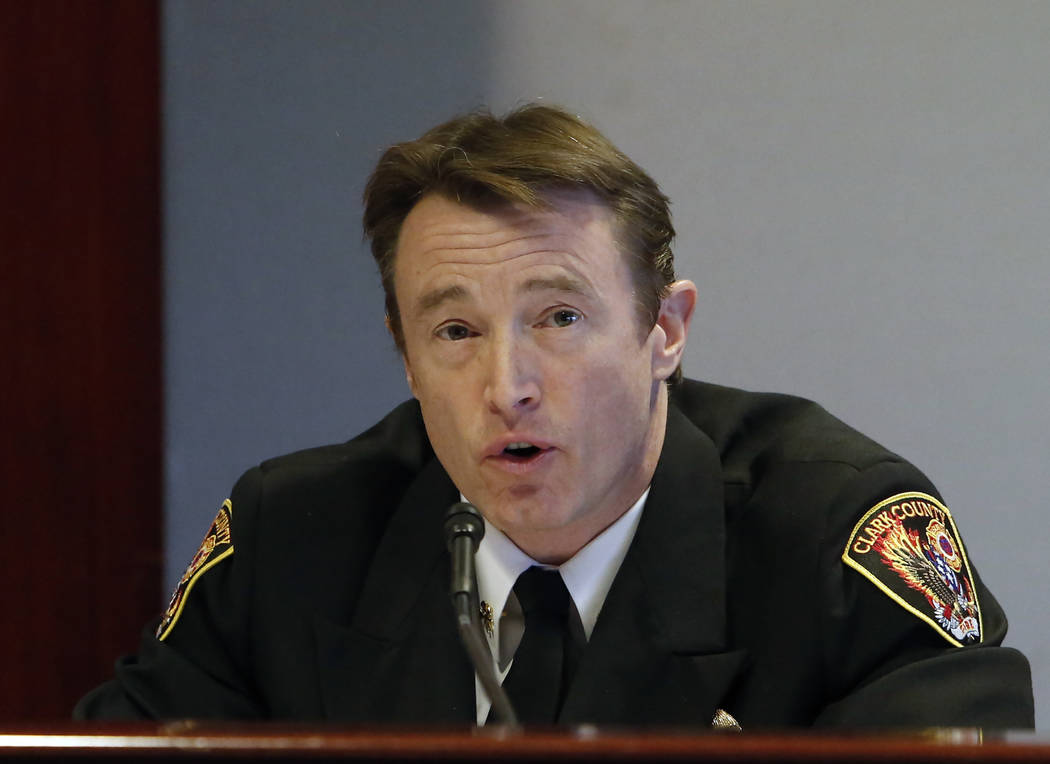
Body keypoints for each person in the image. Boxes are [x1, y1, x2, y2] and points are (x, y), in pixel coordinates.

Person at [76, 104, 1034, 728]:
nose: (508, 386)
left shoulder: (839, 538)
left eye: (560, 318)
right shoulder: (294, 539)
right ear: (405, 356)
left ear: (665, 330)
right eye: (455, 331)